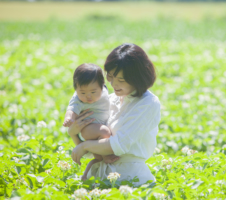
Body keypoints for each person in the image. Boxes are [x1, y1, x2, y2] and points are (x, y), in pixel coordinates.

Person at [68, 43, 161, 186]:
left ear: (137, 78)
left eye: (121, 80)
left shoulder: (148, 103)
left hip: (130, 179)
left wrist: (85, 146)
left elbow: (118, 145)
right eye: (110, 77)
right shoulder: (109, 100)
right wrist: (74, 134)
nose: (113, 84)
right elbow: (92, 149)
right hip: (98, 178)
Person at [63, 63, 112, 180]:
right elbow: (71, 109)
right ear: (76, 89)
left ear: (102, 85)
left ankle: (85, 176)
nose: (88, 96)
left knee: (97, 159)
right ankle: (107, 156)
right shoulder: (77, 100)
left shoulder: (105, 90)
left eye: (93, 92)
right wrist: (69, 119)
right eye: (83, 93)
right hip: (89, 128)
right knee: (105, 132)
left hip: (96, 128)